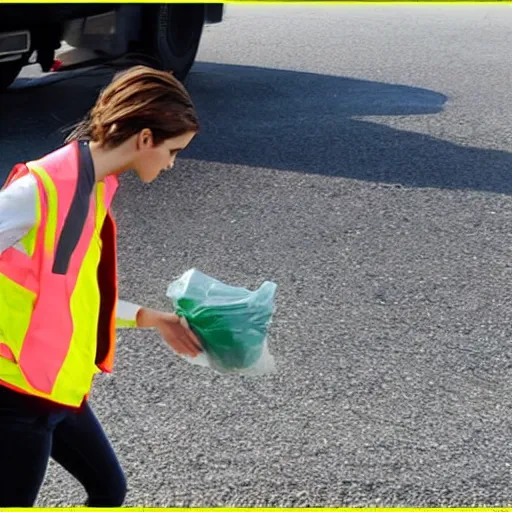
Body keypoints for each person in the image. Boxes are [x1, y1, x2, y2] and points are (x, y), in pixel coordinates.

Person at [0, 65, 204, 507]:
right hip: (15, 395)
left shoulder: (94, 188)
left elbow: (69, 296)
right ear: (145, 138)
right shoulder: (40, 189)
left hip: (60, 388)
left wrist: (151, 319)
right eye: (173, 150)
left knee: (108, 490)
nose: (171, 164)